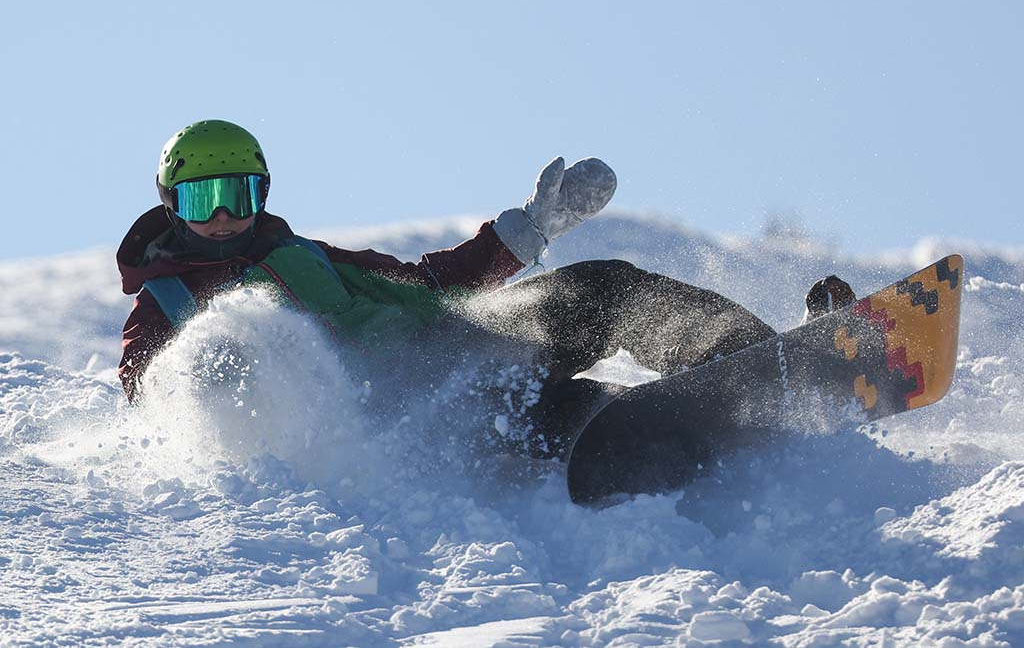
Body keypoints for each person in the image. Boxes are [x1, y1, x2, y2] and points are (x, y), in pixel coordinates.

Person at [117, 119, 855, 459]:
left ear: (261, 192)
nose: (221, 217)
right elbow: (142, 389)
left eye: (237, 193)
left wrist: (529, 230)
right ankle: (666, 433)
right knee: (565, 414)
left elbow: (424, 281)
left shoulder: (300, 254)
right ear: (169, 204)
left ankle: (765, 361)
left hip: (460, 344)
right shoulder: (169, 305)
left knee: (605, 286)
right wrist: (197, 381)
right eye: (200, 198)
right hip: (417, 418)